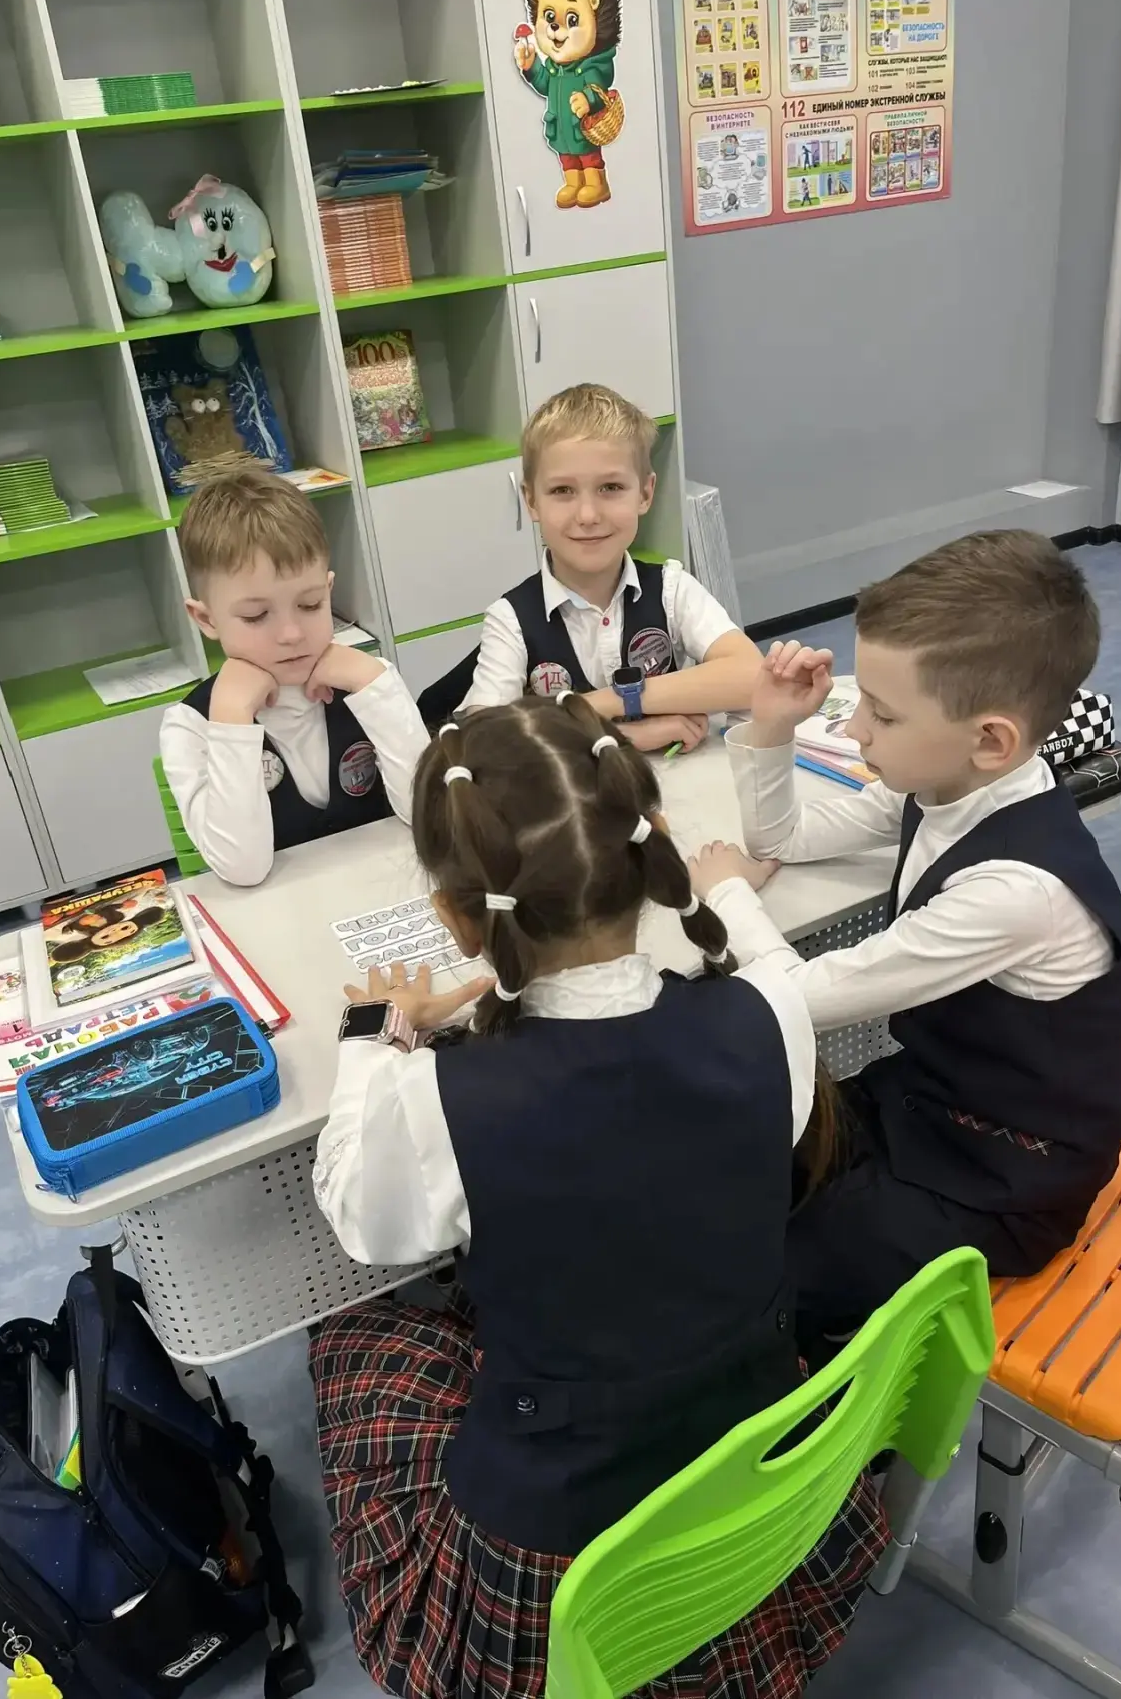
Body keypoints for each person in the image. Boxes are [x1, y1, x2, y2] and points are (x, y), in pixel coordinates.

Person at [309, 694, 886, 1699]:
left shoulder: (435, 1097)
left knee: (350, 1340)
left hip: (562, 1541)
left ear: (455, 919)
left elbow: (364, 1222)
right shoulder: (768, 1013)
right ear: (646, 859)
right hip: (744, 1464)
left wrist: (376, 1034)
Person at [688, 531, 1121, 1346]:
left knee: (752, 1278)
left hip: (1007, 1185)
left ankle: (815, 1396)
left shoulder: (1017, 894)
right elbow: (782, 837)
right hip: (925, 1108)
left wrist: (725, 893)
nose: (855, 729)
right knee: (725, 1172)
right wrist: (773, 726)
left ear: (991, 738)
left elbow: (796, 998)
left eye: (882, 713)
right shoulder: (947, 784)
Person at [461, 384, 764, 756]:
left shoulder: (671, 589)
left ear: (645, 494)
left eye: (610, 487)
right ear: (531, 501)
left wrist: (611, 702)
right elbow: (485, 742)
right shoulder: (511, 620)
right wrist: (625, 736)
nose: (588, 515)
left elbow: (752, 675)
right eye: (562, 491)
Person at [159, 469, 428, 885]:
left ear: (328, 590)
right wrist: (231, 718)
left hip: (387, 892)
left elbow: (431, 816)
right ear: (206, 619)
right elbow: (243, 868)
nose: (291, 634)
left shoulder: (369, 683)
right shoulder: (191, 725)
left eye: (310, 605)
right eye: (256, 616)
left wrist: (376, 685)